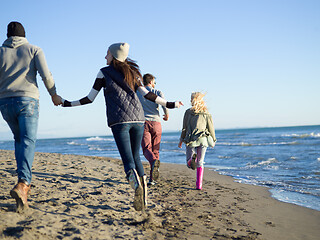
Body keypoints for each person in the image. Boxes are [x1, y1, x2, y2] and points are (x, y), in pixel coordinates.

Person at [61, 42, 183, 211]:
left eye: (107, 54)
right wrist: (171, 104)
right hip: (139, 120)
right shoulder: (134, 73)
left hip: (119, 121)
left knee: (127, 161)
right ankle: (144, 200)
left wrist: (67, 103)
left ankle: (135, 187)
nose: (105, 57)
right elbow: (148, 95)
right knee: (136, 157)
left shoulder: (104, 72)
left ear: (114, 55)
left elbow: (89, 98)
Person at [0, 21, 62, 212]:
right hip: (27, 101)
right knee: (28, 141)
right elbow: (45, 75)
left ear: (8, 35)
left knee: (19, 140)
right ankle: (23, 183)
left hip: (5, 103)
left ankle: (22, 183)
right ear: (24, 35)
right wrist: (54, 94)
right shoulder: (34, 49)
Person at [178, 92, 216, 190]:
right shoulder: (206, 113)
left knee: (188, 163)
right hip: (203, 139)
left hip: (190, 139)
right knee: (200, 162)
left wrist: (181, 140)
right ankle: (199, 185)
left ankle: (191, 160)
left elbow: (184, 128)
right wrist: (214, 140)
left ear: (192, 100)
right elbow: (211, 128)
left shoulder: (188, 112)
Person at [137, 73, 169, 186]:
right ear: (151, 82)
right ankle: (153, 179)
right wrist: (166, 114)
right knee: (155, 150)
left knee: (146, 148)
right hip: (156, 123)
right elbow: (164, 104)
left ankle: (153, 162)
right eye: (154, 82)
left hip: (143, 122)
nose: (155, 84)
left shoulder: (138, 92)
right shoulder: (158, 92)